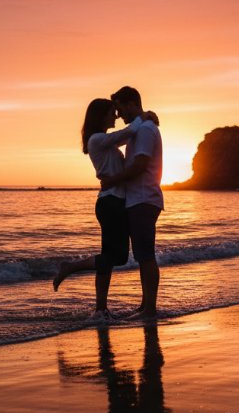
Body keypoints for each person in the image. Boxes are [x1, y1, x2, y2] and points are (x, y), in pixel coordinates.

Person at [53, 99, 158, 320]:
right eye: (112, 112)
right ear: (101, 115)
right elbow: (127, 132)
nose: (116, 116)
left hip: (113, 202)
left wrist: (144, 119)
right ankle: (70, 267)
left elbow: (128, 136)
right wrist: (144, 116)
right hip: (111, 203)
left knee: (109, 257)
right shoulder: (97, 139)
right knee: (116, 257)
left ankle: (101, 309)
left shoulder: (104, 142)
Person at [100, 86, 163, 320]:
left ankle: (150, 308)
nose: (118, 115)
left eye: (120, 108)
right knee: (142, 254)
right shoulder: (141, 128)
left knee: (145, 254)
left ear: (131, 104)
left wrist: (112, 181)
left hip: (144, 198)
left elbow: (140, 165)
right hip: (139, 199)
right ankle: (146, 304)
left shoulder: (145, 130)